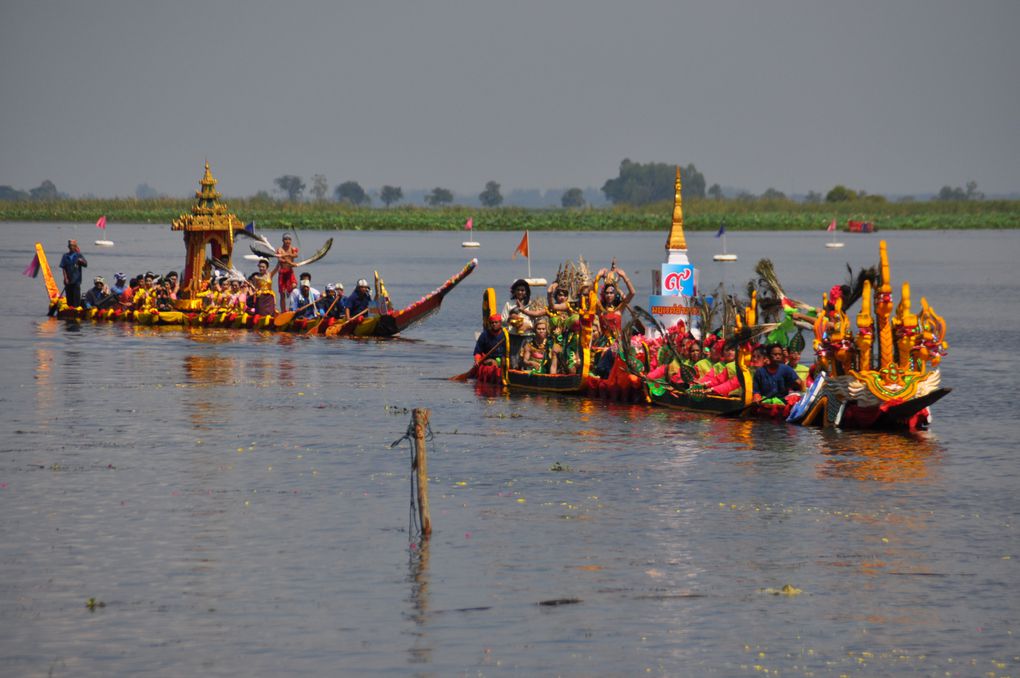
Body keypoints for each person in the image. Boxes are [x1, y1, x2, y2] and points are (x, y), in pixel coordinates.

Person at [271, 234, 299, 311]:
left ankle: (293, 308)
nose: (287, 241)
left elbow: (296, 255)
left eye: (289, 239)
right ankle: (283, 311)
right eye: (286, 239)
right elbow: (280, 260)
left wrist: (288, 254)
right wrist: (289, 262)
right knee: (282, 294)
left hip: (290, 272)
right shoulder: (279, 250)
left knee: (294, 287)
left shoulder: (293, 249)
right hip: (282, 273)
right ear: (283, 240)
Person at [59, 239, 88, 307]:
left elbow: (86, 264)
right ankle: (69, 308)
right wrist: (65, 278)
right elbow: (63, 268)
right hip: (68, 280)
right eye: (70, 246)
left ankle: (76, 308)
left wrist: (81, 261)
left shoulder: (79, 255)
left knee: (76, 297)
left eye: (72, 246)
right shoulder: (65, 256)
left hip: (76, 280)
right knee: (69, 297)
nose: (71, 247)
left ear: (75, 247)